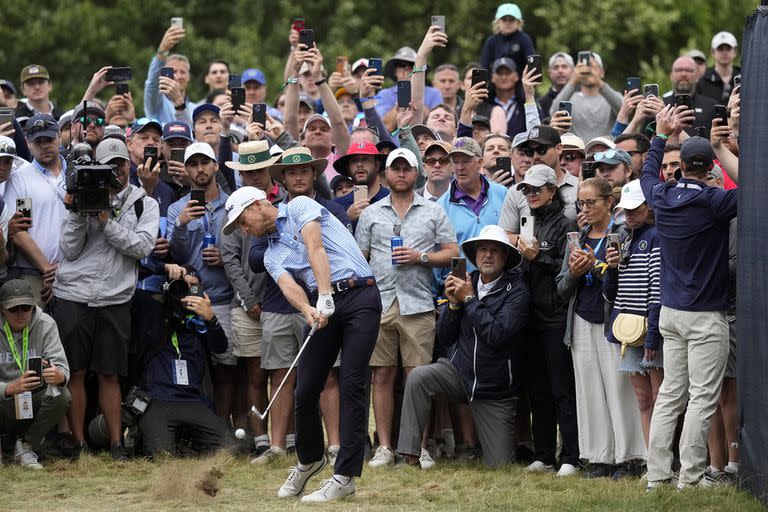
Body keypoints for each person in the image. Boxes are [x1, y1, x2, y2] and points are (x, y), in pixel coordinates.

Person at [223, 185, 381, 503]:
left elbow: (315, 247)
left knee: (352, 382)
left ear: (256, 205)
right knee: (305, 389)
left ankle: (345, 476)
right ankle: (309, 460)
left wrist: (323, 294)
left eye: (242, 221)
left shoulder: (299, 206)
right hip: (321, 306)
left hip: (360, 295)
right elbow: (287, 284)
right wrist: (307, 308)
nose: (243, 229)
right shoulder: (270, 253)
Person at [642, 106, 737, 490]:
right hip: (705, 316)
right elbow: (756, 184)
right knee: (701, 398)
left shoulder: (662, 195)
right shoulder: (715, 202)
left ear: (679, 166)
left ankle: (658, 476)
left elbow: (648, 172)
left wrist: (660, 135)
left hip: (670, 313)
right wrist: (726, 146)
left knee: (669, 396)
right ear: (712, 167)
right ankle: (691, 478)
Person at [50, 138, 159, 460]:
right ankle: (79, 442)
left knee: (111, 373)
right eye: (109, 165)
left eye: (122, 163)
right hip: (73, 294)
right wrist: (76, 212)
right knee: (77, 371)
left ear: (130, 165)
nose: (116, 171)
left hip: (115, 296)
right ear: (98, 167)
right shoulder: (81, 197)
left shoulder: (144, 203)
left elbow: (141, 248)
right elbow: (69, 250)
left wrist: (105, 222)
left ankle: (116, 443)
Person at [247, 146, 351, 465]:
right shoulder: (271, 212)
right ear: (284, 178)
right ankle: (277, 446)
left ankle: (334, 445)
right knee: (281, 375)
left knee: (328, 375)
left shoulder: (333, 210)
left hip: (326, 302)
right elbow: (254, 260)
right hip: (280, 306)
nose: (298, 176)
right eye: (291, 172)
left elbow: (339, 255)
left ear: (314, 174)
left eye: (303, 170)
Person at [356, 148, 458, 468]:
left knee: (417, 378)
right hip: (381, 302)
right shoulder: (371, 214)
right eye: (395, 169)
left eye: (407, 168)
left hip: (418, 302)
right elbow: (359, 259)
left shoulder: (433, 211)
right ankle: (385, 446)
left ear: (417, 174)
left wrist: (421, 257)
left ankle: (419, 446)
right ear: (385, 175)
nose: (401, 174)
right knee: (382, 375)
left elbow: (453, 252)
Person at [398, 224, 529, 468]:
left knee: (499, 467)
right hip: (459, 374)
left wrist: (469, 299)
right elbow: (446, 337)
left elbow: (497, 335)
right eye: (482, 250)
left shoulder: (517, 290)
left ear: (506, 256)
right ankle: (410, 454)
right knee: (418, 376)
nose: (487, 255)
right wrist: (454, 305)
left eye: (495, 250)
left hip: (495, 389)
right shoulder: (468, 282)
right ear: (475, 255)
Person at [556, 177, 645, 479]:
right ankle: (598, 456)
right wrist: (574, 272)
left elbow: (630, 274)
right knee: (589, 389)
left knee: (620, 389)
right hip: (580, 319)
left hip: (613, 320)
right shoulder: (577, 237)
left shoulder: (623, 233)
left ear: (610, 202)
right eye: (581, 203)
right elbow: (561, 288)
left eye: (591, 202)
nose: (585, 208)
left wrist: (597, 265)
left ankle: (629, 456)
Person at [514, 165, 580, 476]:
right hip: (530, 316)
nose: (531, 195)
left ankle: (570, 455)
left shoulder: (566, 224)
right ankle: (543, 454)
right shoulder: (527, 222)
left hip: (555, 315)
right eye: (527, 190)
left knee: (561, 388)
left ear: (552, 191)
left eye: (537, 189)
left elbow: (565, 269)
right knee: (537, 389)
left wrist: (536, 257)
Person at [167, 142, 237, 420]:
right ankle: (201, 427)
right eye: (193, 164)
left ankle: (223, 428)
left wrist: (225, 257)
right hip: (190, 301)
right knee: (195, 366)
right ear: (184, 170)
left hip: (224, 298)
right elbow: (176, 255)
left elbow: (242, 247)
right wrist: (182, 224)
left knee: (227, 369)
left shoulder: (233, 204)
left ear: (215, 166)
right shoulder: (176, 209)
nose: (199, 169)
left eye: (204, 163)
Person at [138, 269, 236, 456]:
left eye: (192, 288)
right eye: (180, 286)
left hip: (192, 401)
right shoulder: (152, 314)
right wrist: (164, 270)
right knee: (160, 454)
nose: (184, 293)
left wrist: (209, 317)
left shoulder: (198, 325)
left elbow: (220, 347)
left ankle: (188, 445)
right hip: (158, 401)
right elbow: (136, 287)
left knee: (229, 449)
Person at [603, 179, 663, 476]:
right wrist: (611, 268)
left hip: (649, 330)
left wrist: (653, 333)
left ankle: (663, 462)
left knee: (659, 399)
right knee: (643, 399)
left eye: (634, 210)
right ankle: (654, 463)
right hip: (627, 329)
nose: (628, 215)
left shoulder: (655, 237)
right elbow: (611, 294)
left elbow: (657, 289)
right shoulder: (622, 238)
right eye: (625, 210)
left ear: (648, 207)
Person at [0, 279, 70, 468]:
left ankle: (25, 446)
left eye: (26, 307)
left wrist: (59, 375)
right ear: (2, 309)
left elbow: (63, 369)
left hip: (32, 398)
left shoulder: (46, 324)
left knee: (62, 395)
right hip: (3, 400)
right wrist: (10, 388)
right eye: (13, 309)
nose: (21, 313)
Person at [4, 115, 67, 304]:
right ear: (29, 144)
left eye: (49, 139)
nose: (44, 145)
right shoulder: (20, 177)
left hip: (74, 274)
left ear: (59, 137)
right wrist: (48, 270)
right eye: (38, 141)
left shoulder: (76, 171)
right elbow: (19, 232)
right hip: (32, 274)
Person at [438, 137, 508, 271]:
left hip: (502, 284)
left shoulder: (502, 193)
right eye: (455, 162)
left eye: (466, 161)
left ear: (480, 162)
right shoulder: (441, 206)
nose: (460, 167)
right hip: (462, 284)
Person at [499, 126, 579, 242]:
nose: (535, 156)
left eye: (542, 150)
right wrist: (536, 243)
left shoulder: (579, 187)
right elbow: (505, 236)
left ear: (559, 148)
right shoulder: (516, 191)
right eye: (530, 152)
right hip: (528, 258)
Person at [550, 53, 623, 141]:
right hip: (577, 152)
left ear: (602, 73)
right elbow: (553, 111)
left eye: (592, 67)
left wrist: (599, 83)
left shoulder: (611, 97)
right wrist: (573, 80)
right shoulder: (570, 99)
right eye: (584, 67)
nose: (588, 71)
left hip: (605, 152)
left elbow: (625, 111)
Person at [144, 25, 196, 124]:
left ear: (188, 76)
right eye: (174, 72)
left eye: (182, 72)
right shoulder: (156, 104)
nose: (178, 76)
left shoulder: (196, 108)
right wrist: (163, 50)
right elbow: (152, 84)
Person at [663, 57, 716, 138]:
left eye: (689, 70)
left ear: (698, 76)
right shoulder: (660, 105)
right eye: (678, 70)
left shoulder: (711, 106)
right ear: (671, 75)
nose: (683, 74)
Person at [480, 4, 535, 76]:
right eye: (504, 19)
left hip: (519, 82)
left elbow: (532, 65)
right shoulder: (491, 41)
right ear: (498, 22)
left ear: (518, 22)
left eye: (511, 19)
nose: (508, 23)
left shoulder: (524, 39)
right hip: (496, 82)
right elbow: (484, 66)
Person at [697, 32, 740, 104]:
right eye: (720, 49)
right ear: (712, 52)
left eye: (728, 49)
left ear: (735, 51)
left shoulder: (744, 77)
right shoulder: (703, 80)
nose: (725, 52)